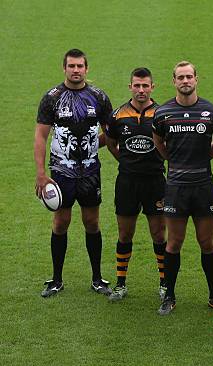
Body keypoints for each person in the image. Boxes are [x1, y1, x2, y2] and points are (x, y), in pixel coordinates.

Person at [34, 48, 113, 297]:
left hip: (90, 170)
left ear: (86, 69)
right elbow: (40, 136)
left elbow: (111, 133)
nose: (76, 70)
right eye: (71, 66)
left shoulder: (98, 97)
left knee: (92, 222)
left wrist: (92, 145)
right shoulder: (52, 98)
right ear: (64, 68)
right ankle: (56, 279)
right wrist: (40, 173)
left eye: (80, 66)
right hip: (61, 172)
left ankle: (97, 279)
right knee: (61, 222)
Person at [152, 61, 213, 315]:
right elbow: (159, 144)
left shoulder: (212, 111)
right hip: (175, 187)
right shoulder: (162, 113)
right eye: (180, 77)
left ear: (196, 79)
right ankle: (169, 296)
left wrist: (205, 158)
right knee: (174, 242)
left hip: (203, 185)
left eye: (189, 77)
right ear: (174, 81)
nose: (185, 81)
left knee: (207, 242)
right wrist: (174, 161)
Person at [105, 67, 166, 301]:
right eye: (137, 85)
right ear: (130, 86)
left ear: (152, 87)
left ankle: (164, 284)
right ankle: (121, 284)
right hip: (127, 182)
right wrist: (127, 163)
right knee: (125, 233)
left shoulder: (162, 114)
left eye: (145, 85)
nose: (141, 90)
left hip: (155, 182)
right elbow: (111, 144)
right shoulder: (118, 115)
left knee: (159, 234)